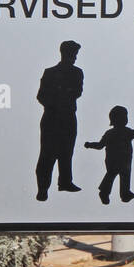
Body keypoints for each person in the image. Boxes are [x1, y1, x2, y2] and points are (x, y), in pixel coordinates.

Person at [35, 40, 83, 201]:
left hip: (68, 116)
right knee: (47, 154)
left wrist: (58, 93)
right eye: (73, 54)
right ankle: (43, 187)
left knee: (66, 152)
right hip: (52, 117)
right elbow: (41, 95)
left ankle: (65, 181)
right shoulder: (50, 72)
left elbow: (77, 91)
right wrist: (56, 101)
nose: (75, 57)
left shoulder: (77, 72)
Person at [84, 106, 134, 204]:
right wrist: (90, 145)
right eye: (123, 117)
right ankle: (107, 192)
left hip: (124, 159)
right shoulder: (118, 132)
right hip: (116, 159)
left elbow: (100, 145)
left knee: (121, 175)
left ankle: (123, 193)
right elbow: (100, 145)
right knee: (113, 174)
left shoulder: (121, 132)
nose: (125, 119)